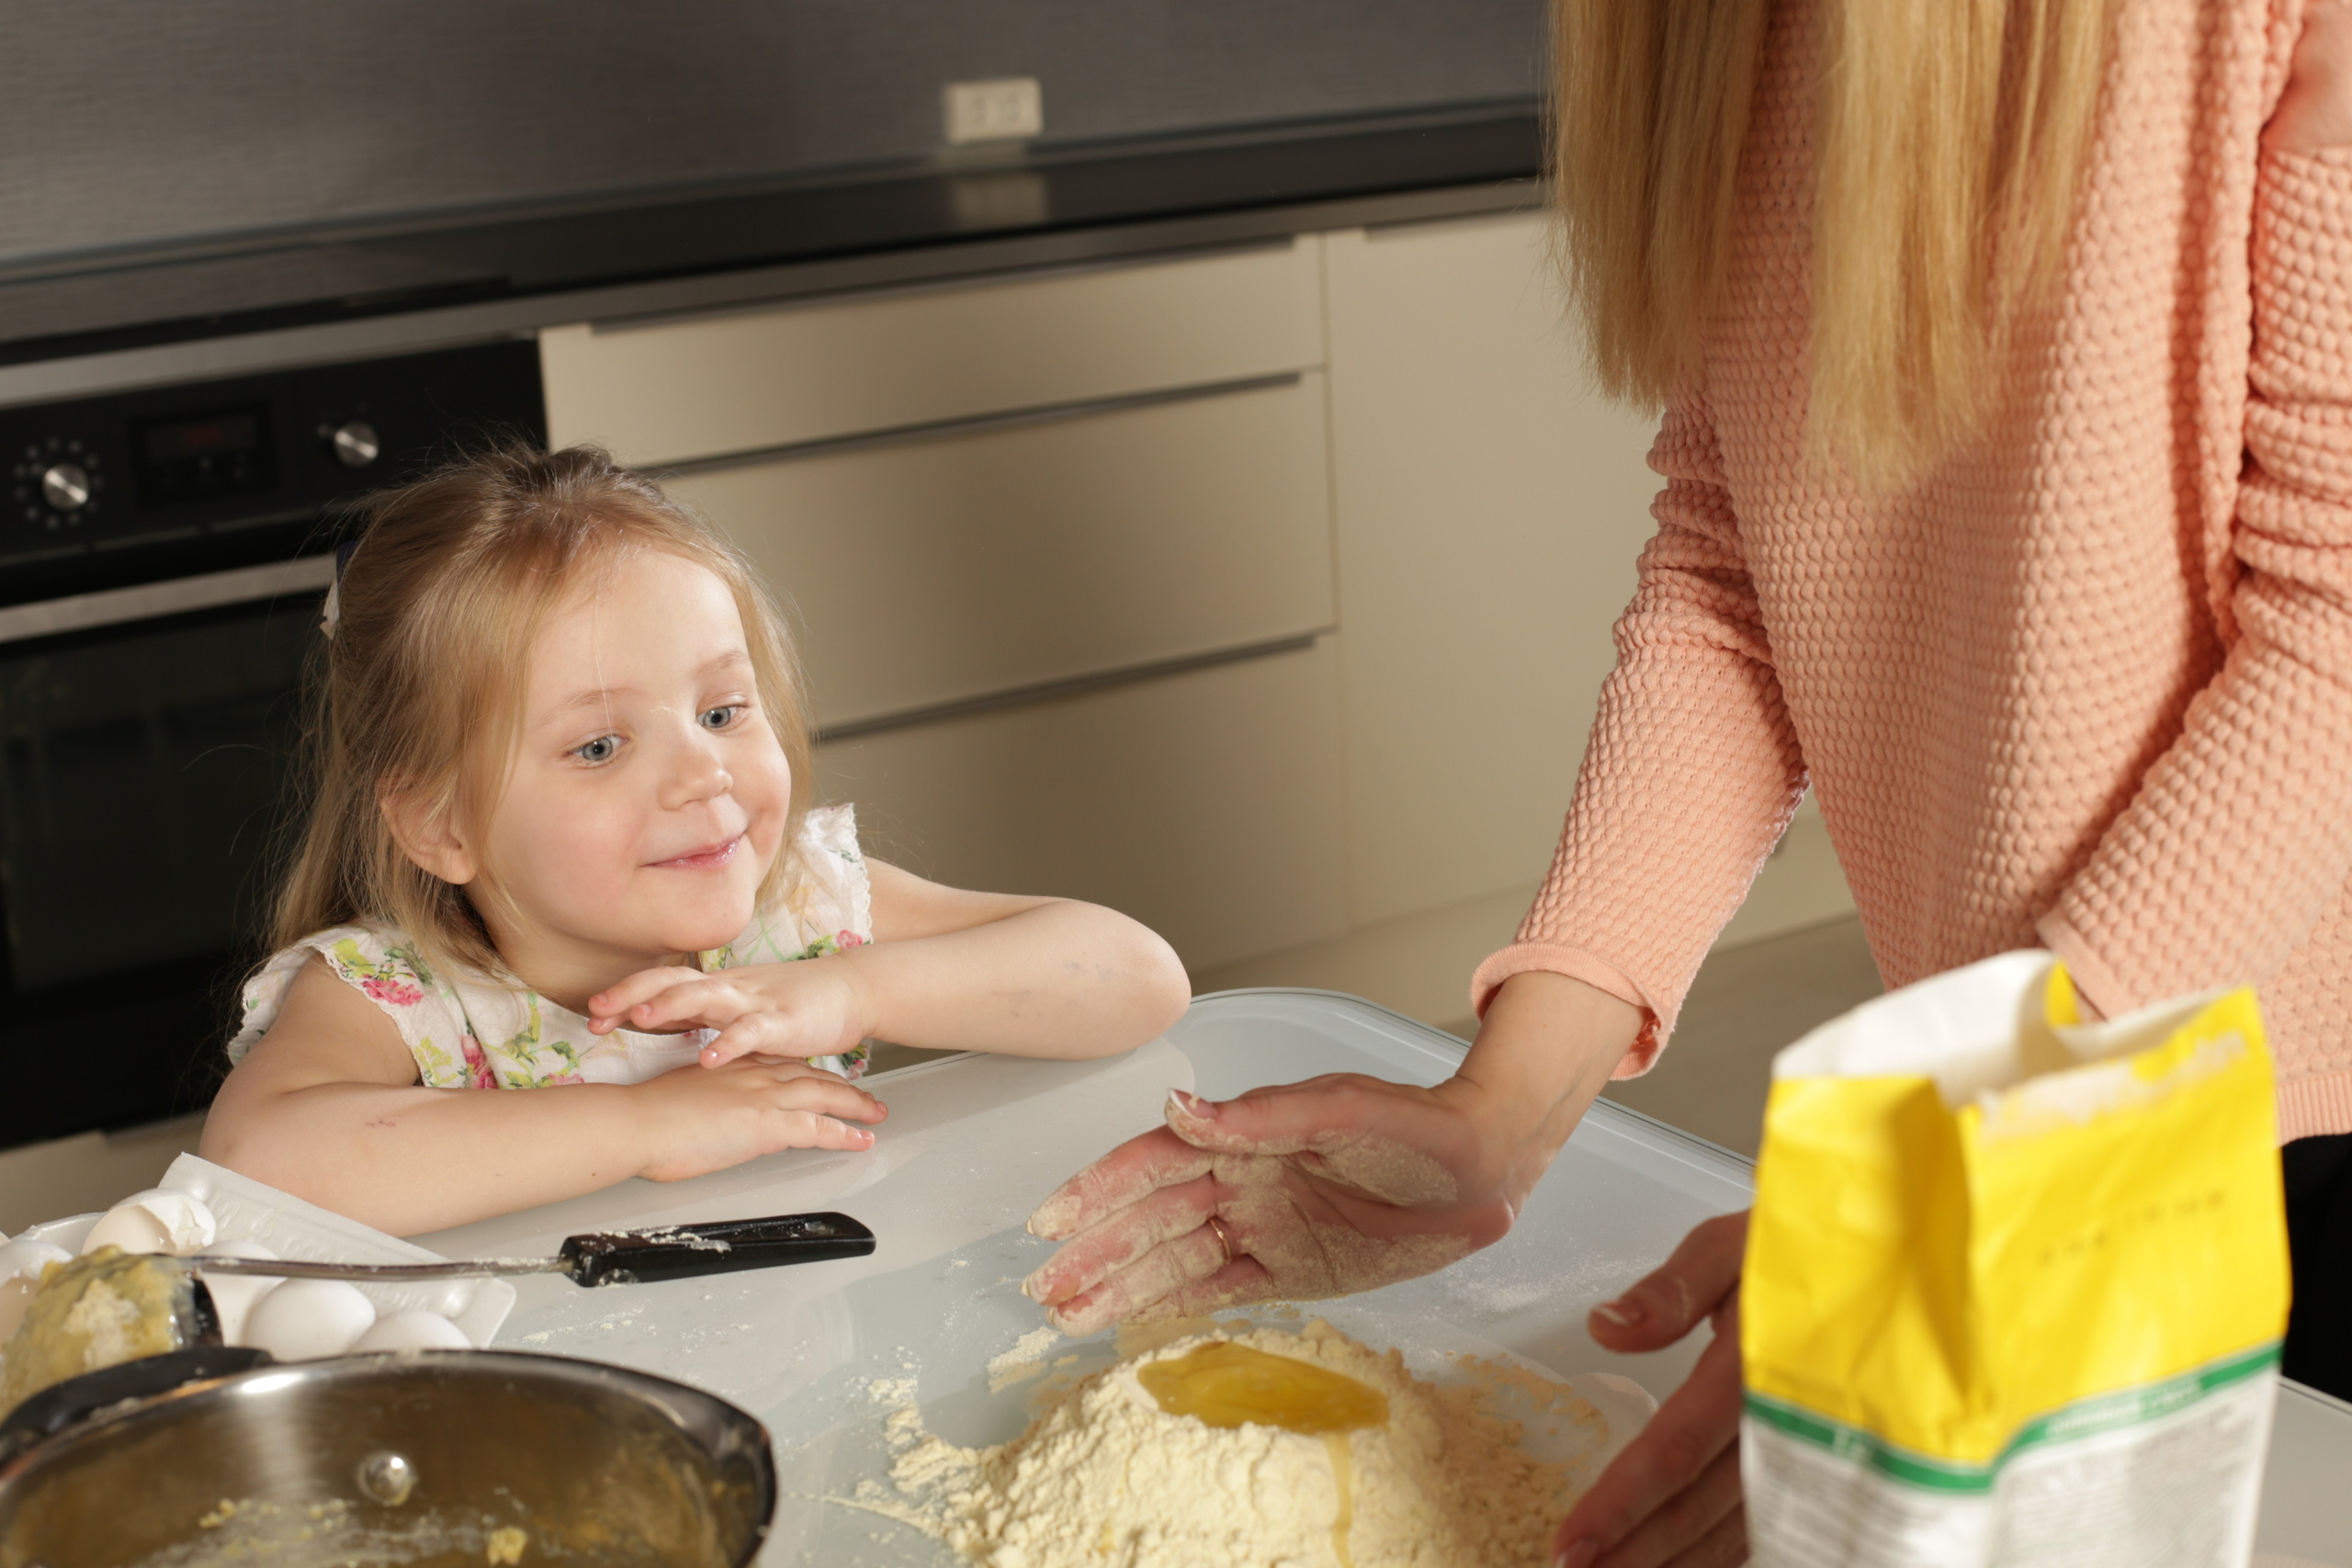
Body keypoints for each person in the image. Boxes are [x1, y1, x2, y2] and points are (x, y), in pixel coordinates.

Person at [1023, 0, 2352, 1562]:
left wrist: (1941, 1154)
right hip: (2051, 1087)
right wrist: (1507, 1101)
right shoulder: (1724, 33)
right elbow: (1741, 574)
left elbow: (2337, 633)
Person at [201, 446, 1190, 1235]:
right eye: (599, 745)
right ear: (440, 823)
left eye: (721, 712)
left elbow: (1139, 978)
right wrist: (644, 1123)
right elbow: (252, 1167)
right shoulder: (399, 992)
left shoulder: (796, 911)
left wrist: (851, 990)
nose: (703, 773)